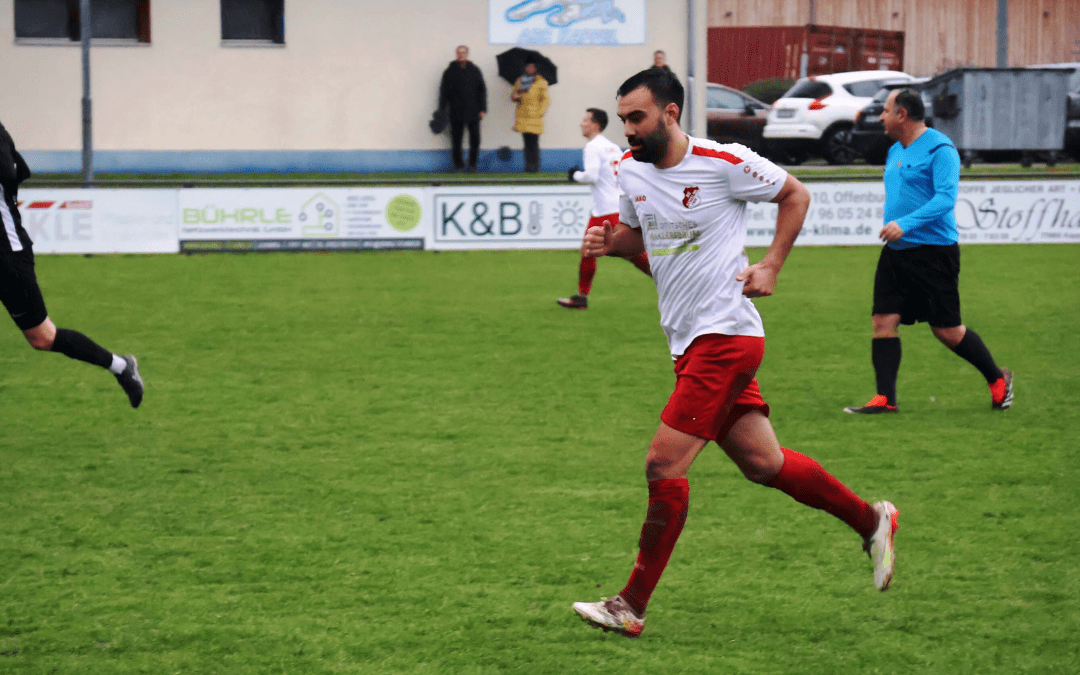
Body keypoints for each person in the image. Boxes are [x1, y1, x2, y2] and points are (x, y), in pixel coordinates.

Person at [570, 69, 897, 639]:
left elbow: (796, 194)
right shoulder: (629, 171)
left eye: (637, 118)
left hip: (726, 337)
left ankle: (630, 605)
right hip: (688, 339)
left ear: (670, 113)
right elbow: (638, 238)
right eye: (622, 119)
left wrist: (770, 264)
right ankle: (871, 519)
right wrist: (610, 243)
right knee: (763, 464)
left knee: (662, 464)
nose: (628, 131)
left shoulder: (724, 162)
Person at [844, 89, 1012, 415]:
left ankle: (997, 379)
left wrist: (904, 223)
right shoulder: (895, 150)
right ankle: (885, 399)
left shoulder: (941, 149)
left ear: (902, 114)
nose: (881, 116)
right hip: (897, 253)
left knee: (947, 331)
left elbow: (945, 199)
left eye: (886, 110)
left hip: (935, 254)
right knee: (883, 321)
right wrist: (899, 229)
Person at [0, 121, 143, 408]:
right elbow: (22, 170)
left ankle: (120, 366)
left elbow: (11, 171)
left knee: (42, 337)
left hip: (8, 256)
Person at [557, 108, 651, 310]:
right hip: (614, 206)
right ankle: (581, 297)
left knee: (626, 253)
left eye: (585, 120)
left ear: (595, 124)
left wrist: (574, 175)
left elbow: (592, 176)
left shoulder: (592, 146)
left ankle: (671, 281)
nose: (582, 123)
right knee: (626, 253)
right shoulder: (613, 147)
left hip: (606, 209)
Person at [439, 45, 487, 172]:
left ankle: (472, 165)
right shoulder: (449, 72)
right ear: (456, 54)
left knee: (475, 139)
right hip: (455, 111)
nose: (461, 55)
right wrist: (443, 109)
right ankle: (458, 165)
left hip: (474, 110)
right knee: (456, 140)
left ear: (467, 54)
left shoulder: (475, 70)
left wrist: (483, 109)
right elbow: (443, 92)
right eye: (459, 53)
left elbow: (482, 90)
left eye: (463, 53)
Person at [510, 58, 550, 173]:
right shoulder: (520, 80)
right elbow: (513, 96)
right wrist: (516, 96)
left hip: (535, 117)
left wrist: (540, 112)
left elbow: (545, 100)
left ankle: (535, 166)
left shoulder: (541, 82)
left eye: (532, 67)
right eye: (528, 67)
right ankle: (528, 166)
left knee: (534, 142)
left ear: (535, 69)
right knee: (526, 142)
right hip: (523, 115)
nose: (530, 69)